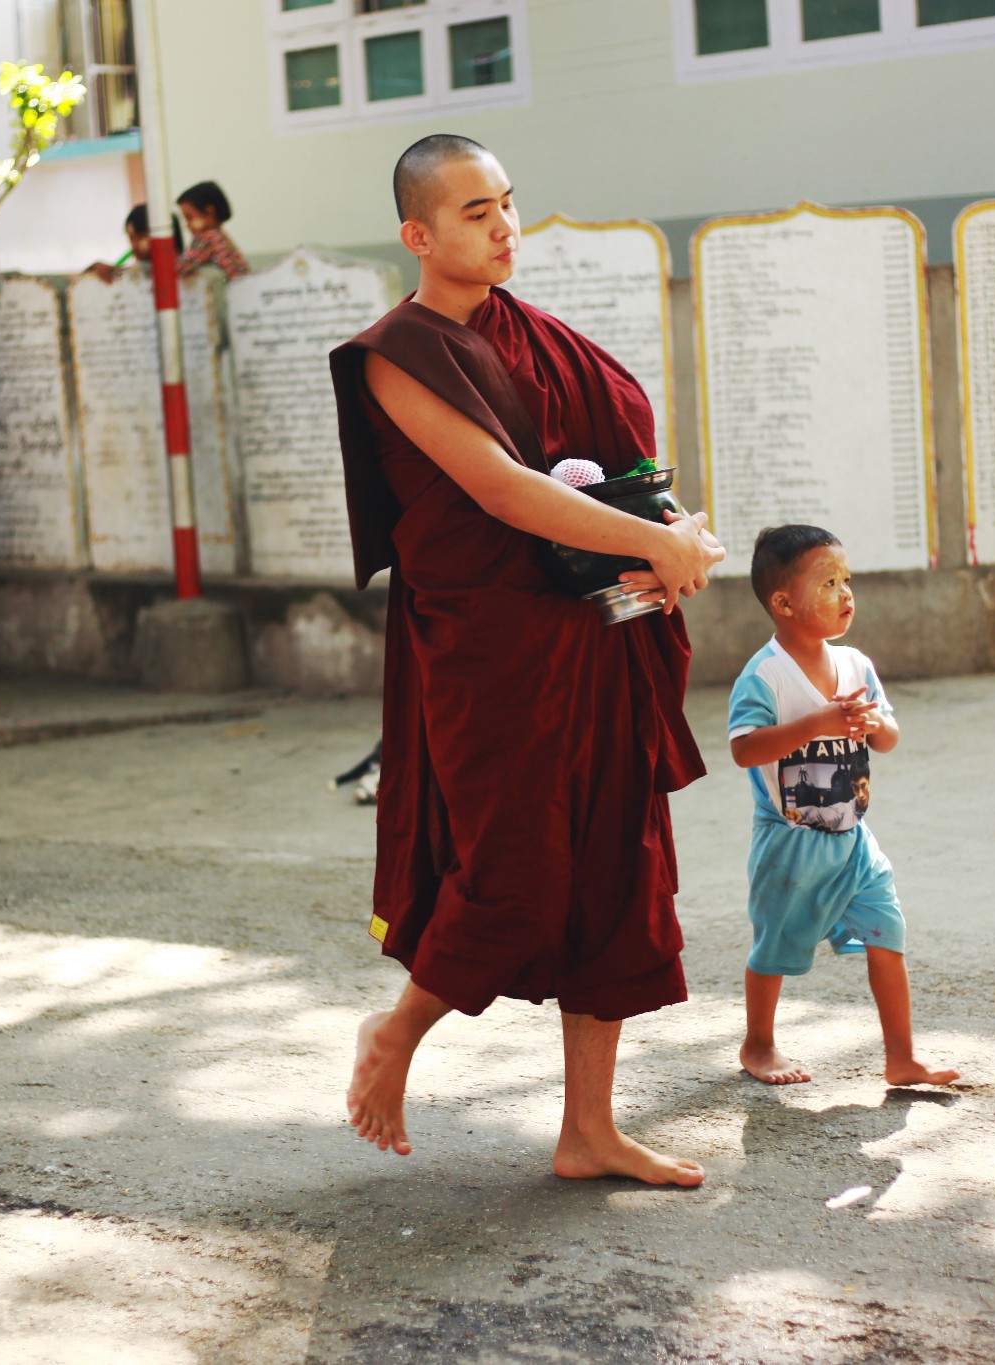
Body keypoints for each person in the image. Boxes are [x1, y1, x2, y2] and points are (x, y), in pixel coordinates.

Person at [330, 134, 724, 1186]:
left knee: (614, 875)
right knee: (513, 869)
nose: (503, 226)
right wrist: (649, 543)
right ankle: (399, 1032)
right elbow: (501, 487)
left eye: (507, 204)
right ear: (417, 234)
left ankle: (587, 1130)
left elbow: (617, 472)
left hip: (597, 635)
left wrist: (670, 533)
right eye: (473, 212)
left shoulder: (539, 337)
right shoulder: (394, 355)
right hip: (492, 656)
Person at [726, 524, 960, 1091]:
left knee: (888, 930)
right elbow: (744, 748)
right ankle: (758, 1043)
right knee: (775, 944)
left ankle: (901, 1058)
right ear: (783, 603)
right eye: (828, 583)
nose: (846, 593)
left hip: (854, 838)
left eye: (847, 580)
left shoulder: (856, 666)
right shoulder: (766, 675)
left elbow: (889, 737)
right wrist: (818, 724)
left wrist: (875, 724)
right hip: (790, 841)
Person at [83, 204, 183, 286]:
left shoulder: (186, 268)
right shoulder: (138, 270)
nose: (134, 245)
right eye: (131, 238)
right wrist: (94, 269)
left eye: (140, 236)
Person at [175, 181, 250, 279]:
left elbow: (182, 268)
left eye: (189, 217)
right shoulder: (221, 237)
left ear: (209, 211)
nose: (187, 225)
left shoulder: (208, 239)